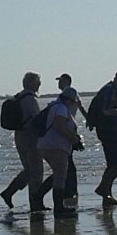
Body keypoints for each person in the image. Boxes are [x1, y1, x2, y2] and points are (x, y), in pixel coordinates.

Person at [35, 73, 86, 207]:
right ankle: (58, 208)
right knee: (60, 175)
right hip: (56, 146)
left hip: (47, 145)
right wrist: (74, 139)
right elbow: (60, 127)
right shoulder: (62, 109)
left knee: (59, 173)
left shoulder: (54, 105)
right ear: (70, 100)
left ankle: (38, 197)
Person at [0, 72, 46, 212]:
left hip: (19, 135)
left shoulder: (19, 96)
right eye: (38, 81)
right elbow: (38, 120)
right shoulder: (30, 99)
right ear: (31, 83)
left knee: (29, 170)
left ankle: (9, 192)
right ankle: (35, 204)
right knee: (36, 172)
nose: (39, 84)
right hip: (30, 136)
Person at [88, 70, 117, 205]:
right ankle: (103, 188)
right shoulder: (109, 90)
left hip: (107, 130)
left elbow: (111, 111)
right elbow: (106, 111)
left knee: (112, 163)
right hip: (108, 132)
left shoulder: (110, 91)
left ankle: (107, 196)